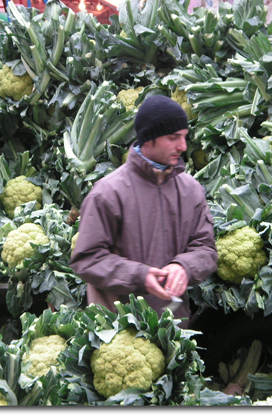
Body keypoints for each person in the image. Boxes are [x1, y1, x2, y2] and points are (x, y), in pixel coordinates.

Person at [69, 94, 218, 328]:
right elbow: (86, 259)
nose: (183, 146)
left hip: (173, 334)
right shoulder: (107, 193)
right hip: (118, 334)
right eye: (173, 138)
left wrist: (184, 266)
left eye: (184, 137)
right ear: (149, 140)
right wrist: (140, 277)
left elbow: (206, 249)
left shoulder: (191, 190)